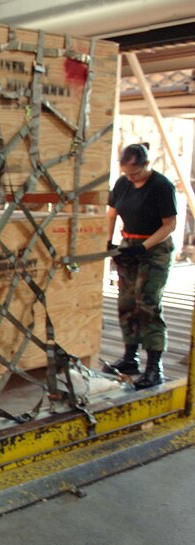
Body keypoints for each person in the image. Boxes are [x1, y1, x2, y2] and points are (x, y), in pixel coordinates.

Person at [106, 142, 177, 390]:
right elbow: (112, 212)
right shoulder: (123, 184)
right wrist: (108, 241)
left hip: (154, 249)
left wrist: (144, 247)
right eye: (127, 173)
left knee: (146, 303)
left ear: (147, 165)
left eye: (135, 173)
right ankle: (129, 359)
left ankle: (154, 367)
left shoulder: (161, 186)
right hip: (128, 247)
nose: (131, 178)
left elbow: (169, 225)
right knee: (126, 303)